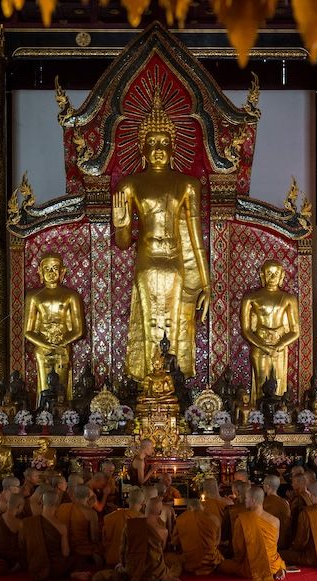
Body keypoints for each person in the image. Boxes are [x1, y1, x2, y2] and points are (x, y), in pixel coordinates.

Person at [112, 90, 211, 381]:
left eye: (164, 143)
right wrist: (120, 224)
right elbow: (122, 243)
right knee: (149, 323)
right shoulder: (130, 184)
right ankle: (146, 384)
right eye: (152, 143)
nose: (158, 148)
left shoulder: (188, 185)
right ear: (142, 149)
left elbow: (195, 238)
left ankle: (174, 380)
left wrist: (205, 283)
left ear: (173, 147)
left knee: (175, 325)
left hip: (176, 265)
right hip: (146, 262)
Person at [24, 252, 86, 401]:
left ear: (62, 271)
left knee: (61, 387)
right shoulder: (33, 296)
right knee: (45, 387)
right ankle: (42, 414)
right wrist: (45, 344)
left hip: (62, 348)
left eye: (55, 268)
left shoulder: (71, 295)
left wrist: (61, 343)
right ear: (40, 271)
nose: (51, 273)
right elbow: (28, 331)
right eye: (47, 269)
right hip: (42, 347)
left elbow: (79, 330)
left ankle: (64, 415)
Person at [240, 259, 299, 403]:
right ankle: (257, 418)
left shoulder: (288, 299)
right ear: (262, 276)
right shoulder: (251, 299)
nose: (272, 278)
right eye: (269, 273)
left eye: (276, 274)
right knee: (262, 382)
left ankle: (279, 417)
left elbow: (295, 331)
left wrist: (279, 345)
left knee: (278, 384)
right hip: (260, 346)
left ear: (282, 276)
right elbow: (246, 330)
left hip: (280, 346)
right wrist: (264, 346)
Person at [219, 487, 286, 581]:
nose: (244, 500)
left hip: (251, 566)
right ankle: (278, 568)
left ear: (253, 500)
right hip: (272, 565)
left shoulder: (242, 519)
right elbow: (273, 546)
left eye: (246, 498)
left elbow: (239, 549)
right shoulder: (275, 521)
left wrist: (236, 561)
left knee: (222, 565)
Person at [21, 490, 90, 581]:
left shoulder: (27, 523)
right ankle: (71, 574)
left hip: (35, 566)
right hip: (57, 569)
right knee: (79, 559)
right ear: (58, 504)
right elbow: (65, 553)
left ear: (41, 502)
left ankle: (69, 574)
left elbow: (22, 546)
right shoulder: (61, 526)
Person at [172, 499, 223, 575]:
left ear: (189, 509)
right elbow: (218, 542)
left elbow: (174, 542)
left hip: (189, 562)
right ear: (202, 508)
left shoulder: (181, 519)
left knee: (169, 558)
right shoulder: (214, 519)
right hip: (211, 561)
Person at [56, 484, 102, 570]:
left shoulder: (62, 507)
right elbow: (94, 538)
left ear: (74, 495)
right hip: (83, 551)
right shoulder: (91, 513)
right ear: (88, 496)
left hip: (63, 549)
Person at [102, 488, 145, 567]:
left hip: (111, 558)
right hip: (131, 563)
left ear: (128, 500)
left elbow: (103, 540)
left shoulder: (109, 517)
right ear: (143, 503)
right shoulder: (142, 520)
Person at [0, 493, 25, 568]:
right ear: (19, 506)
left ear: (7, 503)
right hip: (11, 557)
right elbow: (21, 544)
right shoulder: (19, 523)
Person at [261, 475, 291, 550]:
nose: (263, 486)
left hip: (271, 541)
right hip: (285, 540)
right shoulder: (285, 502)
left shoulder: (264, 502)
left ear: (267, 486)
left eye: (264, 484)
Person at [287, 473, 312, 546]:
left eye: (293, 482)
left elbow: (292, 517)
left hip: (299, 531)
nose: (292, 484)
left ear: (299, 483)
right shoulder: (310, 494)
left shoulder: (298, 498)